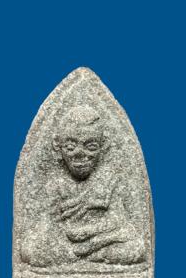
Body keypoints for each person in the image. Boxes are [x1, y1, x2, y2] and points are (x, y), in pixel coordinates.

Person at [21, 106, 145, 267]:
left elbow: (119, 222)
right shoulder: (55, 185)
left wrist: (87, 237)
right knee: (31, 250)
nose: (80, 154)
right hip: (65, 241)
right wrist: (64, 233)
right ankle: (82, 255)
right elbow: (45, 226)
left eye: (91, 147)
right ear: (58, 146)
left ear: (103, 146)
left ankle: (79, 255)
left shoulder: (110, 180)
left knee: (136, 249)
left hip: (100, 241)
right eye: (70, 147)